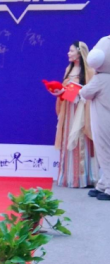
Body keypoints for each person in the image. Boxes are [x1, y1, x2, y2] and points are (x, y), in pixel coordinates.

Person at [53, 42, 99, 188]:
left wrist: (79, 93)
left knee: (80, 138)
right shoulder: (69, 69)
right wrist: (59, 92)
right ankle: (68, 176)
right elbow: (66, 91)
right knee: (68, 137)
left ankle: (82, 178)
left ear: (79, 53)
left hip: (82, 110)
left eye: (71, 51)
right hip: (68, 109)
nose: (68, 53)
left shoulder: (90, 71)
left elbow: (92, 92)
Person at [81, 37, 110, 201]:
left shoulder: (100, 79)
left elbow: (85, 93)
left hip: (103, 121)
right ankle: (103, 184)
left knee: (105, 153)